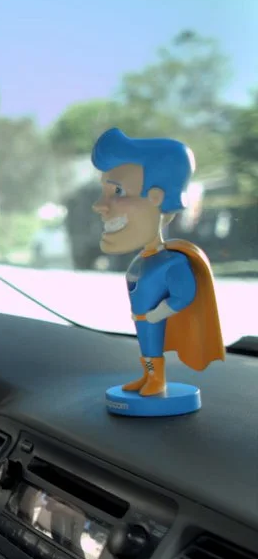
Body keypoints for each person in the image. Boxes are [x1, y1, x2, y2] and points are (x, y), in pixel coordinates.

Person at [89, 127, 224, 412]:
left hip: (151, 318)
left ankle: (156, 378)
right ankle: (149, 376)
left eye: (117, 191)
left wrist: (159, 312)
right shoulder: (143, 259)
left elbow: (184, 295)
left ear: (156, 197)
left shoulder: (173, 262)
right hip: (143, 319)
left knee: (151, 346)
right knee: (147, 348)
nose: (99, 205)